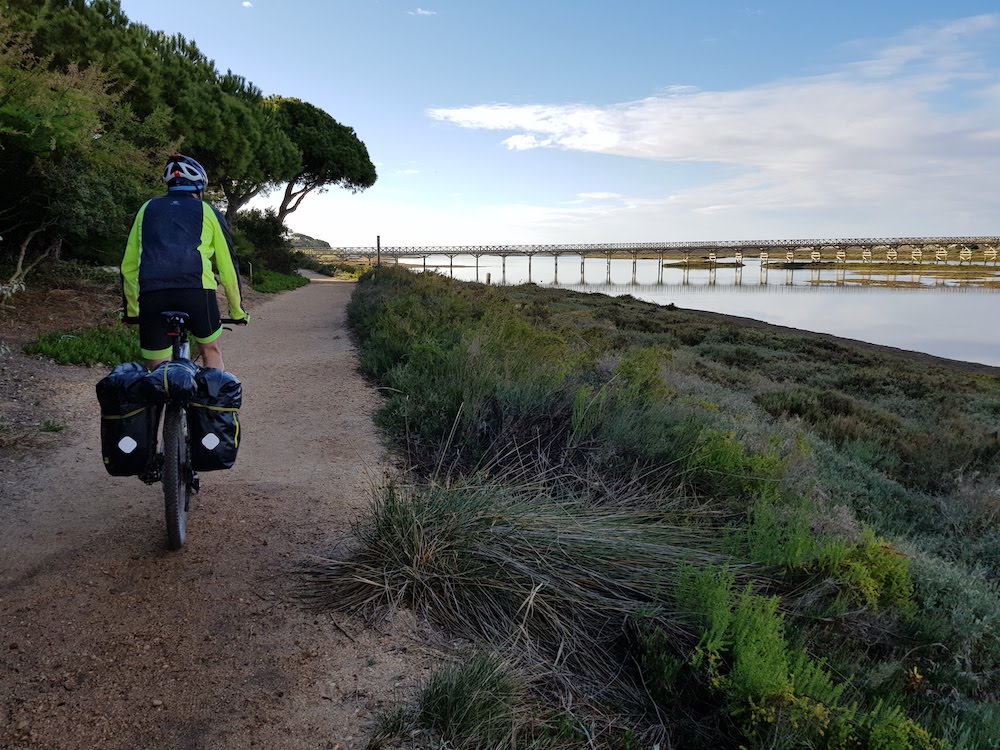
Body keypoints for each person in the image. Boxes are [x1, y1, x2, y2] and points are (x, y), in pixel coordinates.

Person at [121, 154, 249, 371]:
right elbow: (228, 266)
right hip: (197, 293)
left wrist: (133, 311)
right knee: (211, 350)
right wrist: (237, 312)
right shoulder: (208, 211)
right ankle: (209, 403)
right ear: (199, 187)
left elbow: (129, 266)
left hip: (153, 295)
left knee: (157, 370)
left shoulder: (146, 209)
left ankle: (160, 402)